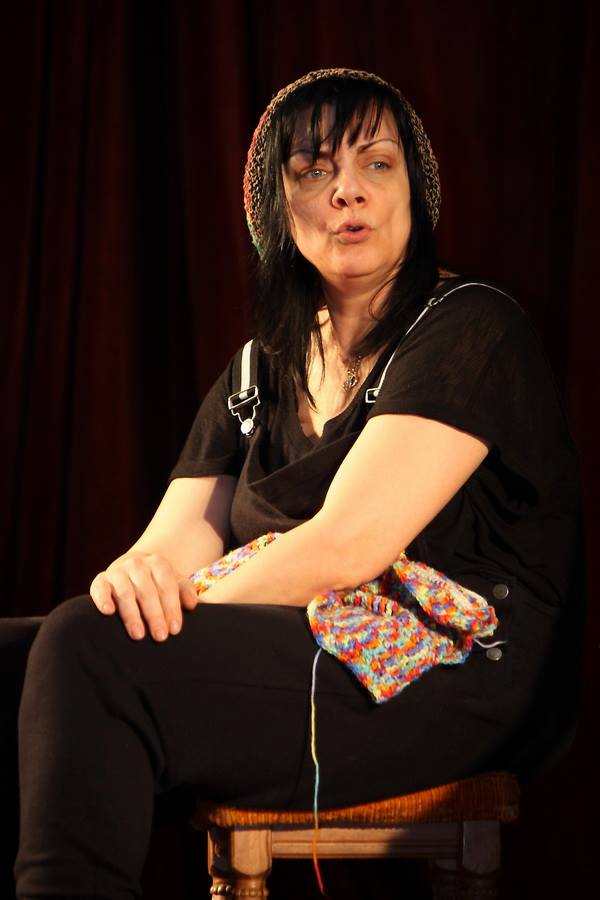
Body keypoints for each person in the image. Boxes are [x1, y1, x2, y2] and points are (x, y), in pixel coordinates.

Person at [10, 68, 584, 899]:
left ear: (415, 193)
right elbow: (166, 551)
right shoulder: (257, 372)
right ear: (276, 209)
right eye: (314, 170)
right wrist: (133, 586)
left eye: (376, 164)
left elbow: (345, 549)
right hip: (303, 649)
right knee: (24, 657)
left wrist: (155, 619)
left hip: (450, 675)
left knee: (87, 650)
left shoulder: (470, 326)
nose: (348, 191)